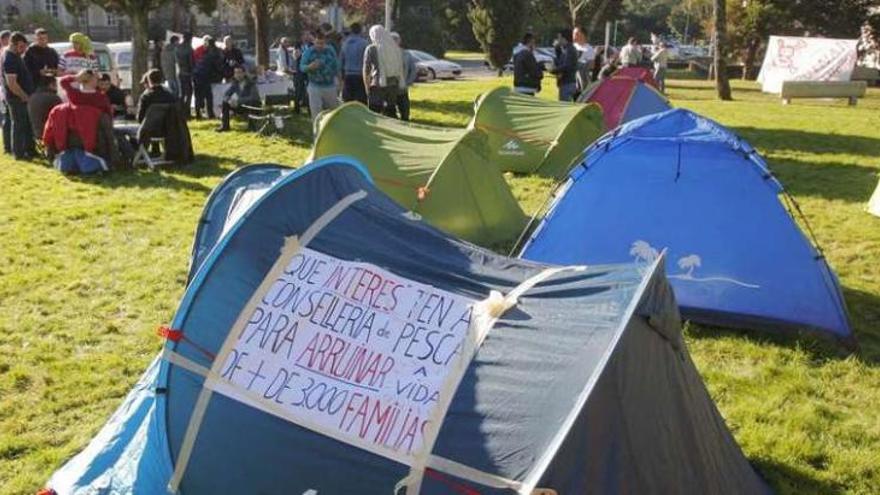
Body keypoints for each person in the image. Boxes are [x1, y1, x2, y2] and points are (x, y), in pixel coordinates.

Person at [2, 32, 36, 159]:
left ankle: (29, 150)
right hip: (16, 98)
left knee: (25, 124)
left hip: (22, 96)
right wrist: (24, 96)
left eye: (24, 46)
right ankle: (19, 153)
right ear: (13, 44)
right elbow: (12, 83)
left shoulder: (15, 56)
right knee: (19, 125)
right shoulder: (9, 59)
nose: (23, 50)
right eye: (21, 47)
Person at [363, 24, 403, 118]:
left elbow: (366, 69)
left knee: (374, 112)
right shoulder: (395, 49)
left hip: (377, 84)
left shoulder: (371, 49)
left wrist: (367, 86)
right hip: (393, 83)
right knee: (390, 110)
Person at [299, 31, 339, 122]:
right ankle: (317, 133)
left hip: (330, 86)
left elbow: (337, 65)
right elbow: (301, 67)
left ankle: (333, 133)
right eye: (318, 43)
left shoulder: (330, 50)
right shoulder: (308, 52)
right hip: (315, 86)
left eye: (322, 43)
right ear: (314, 41)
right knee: (316, 113)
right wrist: (309, 67)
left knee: (333, 112)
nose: (320, 46)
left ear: (325, 42)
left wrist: (339, 80)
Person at [216, 65, 260, 132]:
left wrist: (238, 101)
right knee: (225, 103)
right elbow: (226, 94)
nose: (237, 75)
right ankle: (225, 126)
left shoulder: (251, 83)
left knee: (253, 103)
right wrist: (229, 100)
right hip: (240, 105)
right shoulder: (235, 83)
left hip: (250, 106)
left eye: (239, 72)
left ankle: (252, 127)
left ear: (244, 73)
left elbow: (254, 97)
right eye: (236, 73)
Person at [192, 36, 223, 119]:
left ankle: (198, 114)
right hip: (206, 76)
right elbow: (217, 66)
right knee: (208, 96)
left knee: (198, 96)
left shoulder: (206, 52)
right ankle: (210, 114)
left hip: (197, 75)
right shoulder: (215, 53)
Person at [390, 32, 417, 121]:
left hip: (402, 88)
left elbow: (413, 70)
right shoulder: (386, 55)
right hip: (390, 88)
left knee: (404, 111)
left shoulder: (406, 54)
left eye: (396, 40)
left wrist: (408, 82)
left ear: (399, 41)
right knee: (390, 112)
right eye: (392, 40)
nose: (394, 42)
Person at [340, 23, 368, 104]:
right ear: (360, 30)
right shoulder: (364, 43)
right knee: (360, 101)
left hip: (348, 74)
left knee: (348, 101)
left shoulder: (345, 44)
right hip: (360, 75)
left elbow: (341, 61)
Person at [27, 75, 61, 139]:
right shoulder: (53, 98)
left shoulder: (32, 97)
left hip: (37, 133)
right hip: (50, 133)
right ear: (51, 84)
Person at [551, 29, 578, 102]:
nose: (557, 40)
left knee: (564, 107)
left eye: (559, 38)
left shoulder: (570, 50)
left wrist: (553, 70)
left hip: (568, 84)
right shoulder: (566, 49)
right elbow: (560, 62)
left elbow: (566, 66)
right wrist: (557, 49)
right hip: (565, 83)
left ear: (564, 38)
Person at [572, 27, 594, 94]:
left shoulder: (589, 49)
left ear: (582, 35)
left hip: (582, 81)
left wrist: (582, 64)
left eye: (576, 33)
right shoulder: (572, 47)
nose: (573, 35)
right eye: (573, 33)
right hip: (570, 80)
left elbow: (591, 66)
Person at [1, 29, 13, 155]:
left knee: (9, 118)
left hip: (4, 89)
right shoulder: (4, 53)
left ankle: (9, 145)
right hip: (4, 90)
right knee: (7, 119)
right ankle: (8, 146)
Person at [176, 33, 194, 111]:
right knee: (189, 92)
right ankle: (187, 110)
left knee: (182, 93)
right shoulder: (189, 48)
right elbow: (191, 62)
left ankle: (180, 109)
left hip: (179, 72)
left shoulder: (177, 47)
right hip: (187, 73)